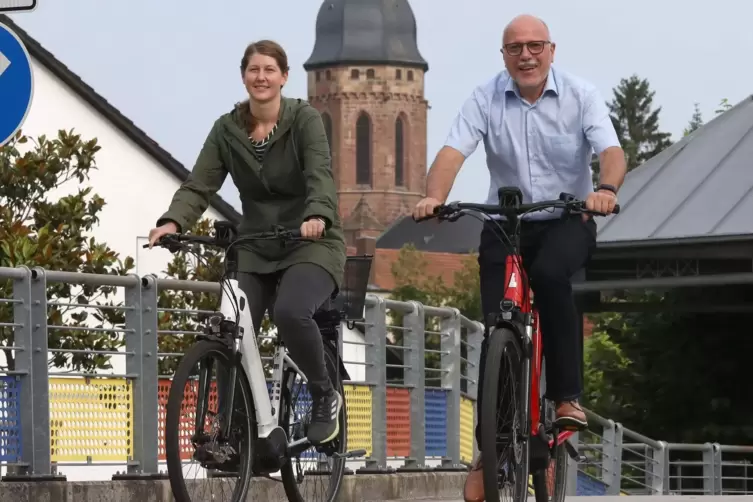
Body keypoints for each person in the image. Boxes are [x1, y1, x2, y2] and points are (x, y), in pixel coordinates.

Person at [412, 14, 627, 502]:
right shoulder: (485, 97)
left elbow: (610, 150)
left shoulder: (581, 95)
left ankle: (566, 397)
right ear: (504, 56)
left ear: (552, 50)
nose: (526, 56)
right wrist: (433, 196)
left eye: (535, 46)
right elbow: (452, 151)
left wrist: (606, 188)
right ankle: (490, 446)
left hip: (567, 218)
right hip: (506, 224)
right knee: (498, 326)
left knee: (552, 276)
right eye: (515, 48)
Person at [147, 40, 347, 446]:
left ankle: (325, 394)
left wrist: (317, 215)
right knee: (230, 331)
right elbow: (199, 183)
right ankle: (234, 429)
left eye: (270, 70)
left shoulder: (304, 120)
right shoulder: (227, 130)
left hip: (310, 242)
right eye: (254, 70)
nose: (261, 77)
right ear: (244, 76)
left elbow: (320, 174)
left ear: (284, 77)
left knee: (291, 312)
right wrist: (172, 222)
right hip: (255, 245)